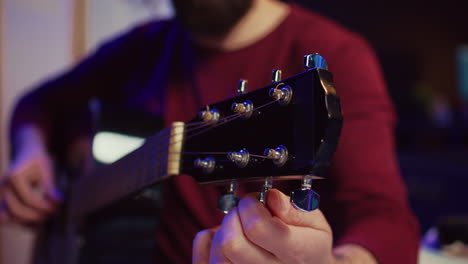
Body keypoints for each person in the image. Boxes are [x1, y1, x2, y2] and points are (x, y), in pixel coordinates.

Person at [0, 0, 420, 263]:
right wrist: (31, 151)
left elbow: (385, 220)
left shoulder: (335, 53)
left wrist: (334, 263)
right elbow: (38, 105)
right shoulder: (146, 44)